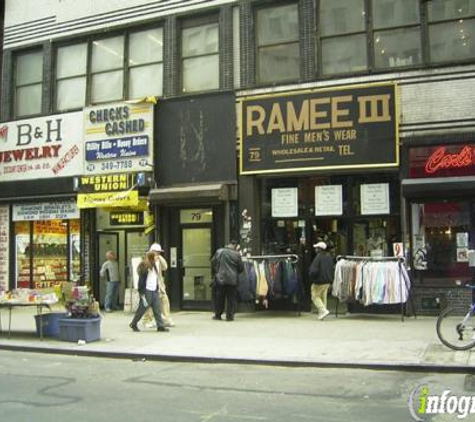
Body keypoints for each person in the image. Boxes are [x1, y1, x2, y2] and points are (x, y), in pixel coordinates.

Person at [129, 250, 170, 332]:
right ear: (151, 257)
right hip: (146, 291)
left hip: (154, 291)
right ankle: (133, 323)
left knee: (157, 308)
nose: (157, 257)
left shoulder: (155, 265)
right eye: (155, 256)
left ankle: (160, 326)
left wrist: (158, 289)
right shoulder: (145, 266)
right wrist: (142, 293)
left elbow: (157, 276)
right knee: (142, 308)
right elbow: (141, 281)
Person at [142, 243, 174, 328]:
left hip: (159, 286)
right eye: (157, 252)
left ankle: (166, 319)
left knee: (164, 301)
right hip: (149, 286)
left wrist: (159, 257)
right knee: (149, 305)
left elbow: (165, 267)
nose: (158, 254)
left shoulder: (159, 259)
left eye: (159, 252)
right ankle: (147, 321)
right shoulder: (147, 259)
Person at [211, 240, 244, 321]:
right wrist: (235, 272)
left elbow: (212, 262)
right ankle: (229, 316)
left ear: (228, 244)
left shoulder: (219, 251)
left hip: (220, 278)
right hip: (232, 280)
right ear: (235, 245)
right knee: (231, 299)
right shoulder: (237, 254)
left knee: (219, 297)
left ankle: (218, 315)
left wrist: (217, 270)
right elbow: (241, 268)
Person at [308, 241, 335, 320]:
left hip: (319, 281)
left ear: (319, 249)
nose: (315, 249)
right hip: (327, 281)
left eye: (316, 248)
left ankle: (323, 310)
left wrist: (311, 276)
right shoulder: (329, 257)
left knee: (315, 296)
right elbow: (332, 269)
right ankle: (322, 314)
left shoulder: (318, 257)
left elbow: (314, 270)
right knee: (323, 297)